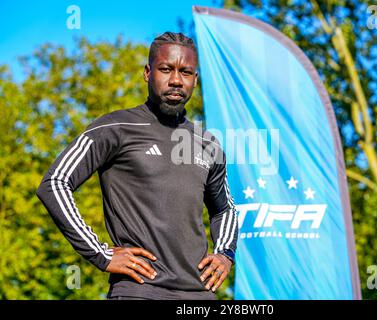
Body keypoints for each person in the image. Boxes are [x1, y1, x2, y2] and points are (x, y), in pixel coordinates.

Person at [36, 32, 238, 300]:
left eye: (186, 72)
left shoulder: (207, 144)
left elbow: (225, 209)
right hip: (138, 291)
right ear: (147, 72)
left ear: (195, 80)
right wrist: (100, 253)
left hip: (200, 296)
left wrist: (224, 254)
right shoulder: (115, 128)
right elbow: (54, 183)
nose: (176, 80)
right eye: (166, 69)